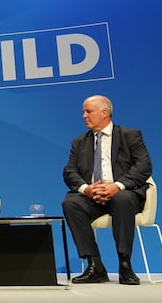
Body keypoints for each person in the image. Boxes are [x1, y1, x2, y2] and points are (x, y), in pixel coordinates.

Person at [62, 94, 152, 285]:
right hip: (93, 197)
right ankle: (95, 265)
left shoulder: (130, 135)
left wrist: (116, 187)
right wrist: (87, 189)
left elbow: (143, 166)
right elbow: (69, 172)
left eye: (88, 111)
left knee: (123, 199)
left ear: (104, 113)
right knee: (71, 203)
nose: (84, 116)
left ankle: (125, 265)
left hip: (123, 193)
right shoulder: (79, 142)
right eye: (83, 112)